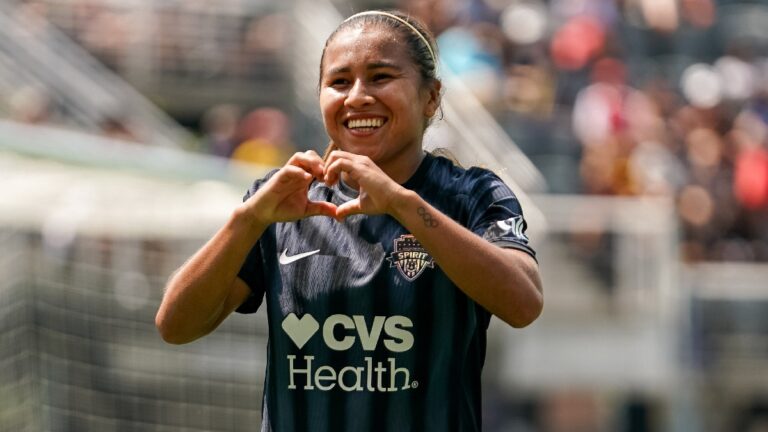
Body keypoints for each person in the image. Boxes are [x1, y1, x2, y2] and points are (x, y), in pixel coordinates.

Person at [156, 10, 543, 432]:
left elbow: (523, 303)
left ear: (430, 97)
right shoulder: (284, 202)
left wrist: (401, 204)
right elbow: (175, 326)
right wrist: (247, 219)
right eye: (339, 82)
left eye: (380, 77)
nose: (357, 96)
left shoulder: (473, 194)